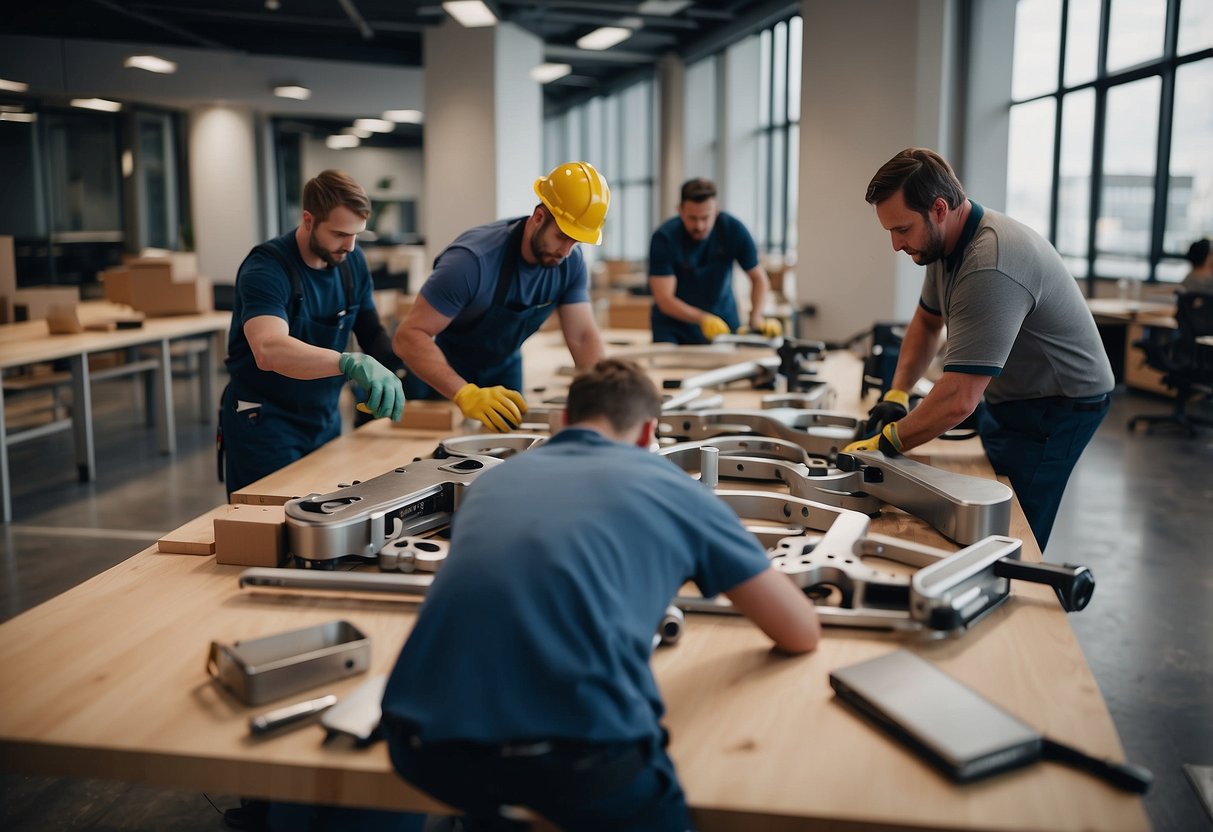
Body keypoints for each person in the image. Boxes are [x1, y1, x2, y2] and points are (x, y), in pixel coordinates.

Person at [380, 358, 821, 831]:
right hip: (576, 759)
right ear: (648, 431)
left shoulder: (492, 482)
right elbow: (799, 631)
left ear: (564, 420)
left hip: (420, 743)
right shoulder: (676, 490)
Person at [844, 148, 1114, 553]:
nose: (895, 245)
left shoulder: (989, 263)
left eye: (901, 229)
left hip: (1059, 406)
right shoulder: (942, 245)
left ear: (938, 209)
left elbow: (958, 398)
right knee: (984, 492)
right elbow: (926, 322)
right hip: (1014, 393)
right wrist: (897, 395)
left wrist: (888, 442)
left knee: (1009, 530)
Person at [219, 169, 404, 496]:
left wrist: (399, 375)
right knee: (267, 528)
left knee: (321, 522)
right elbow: (269, 349)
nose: (350, 245)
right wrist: (349, 362)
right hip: (264, 422)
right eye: (339, 234)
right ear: (308, 220)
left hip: (323, 418)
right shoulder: (266, 269)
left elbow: (371, 331)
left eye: (357, 234)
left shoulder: (351, 261)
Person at [393, 161, 610, 432]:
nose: (566, 251)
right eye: (562, 236)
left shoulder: (570, 263)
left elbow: (582, 337)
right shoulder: (470, 262)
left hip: (504, 370)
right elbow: (409, 337)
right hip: (441, 377)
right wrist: (465, 393)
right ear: (539, 217)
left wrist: (605, 402)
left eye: (575, 242)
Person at [648, 177, 784, 344]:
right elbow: (664, 299)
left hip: (723, 321)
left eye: (705, 218)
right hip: (673, 327)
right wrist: (703, 318)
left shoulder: (734, 230)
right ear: (680, 211)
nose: (699, 226)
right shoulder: (664, 238)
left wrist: (756, 319)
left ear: (716, 210)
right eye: (692, 218)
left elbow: (758, 279)